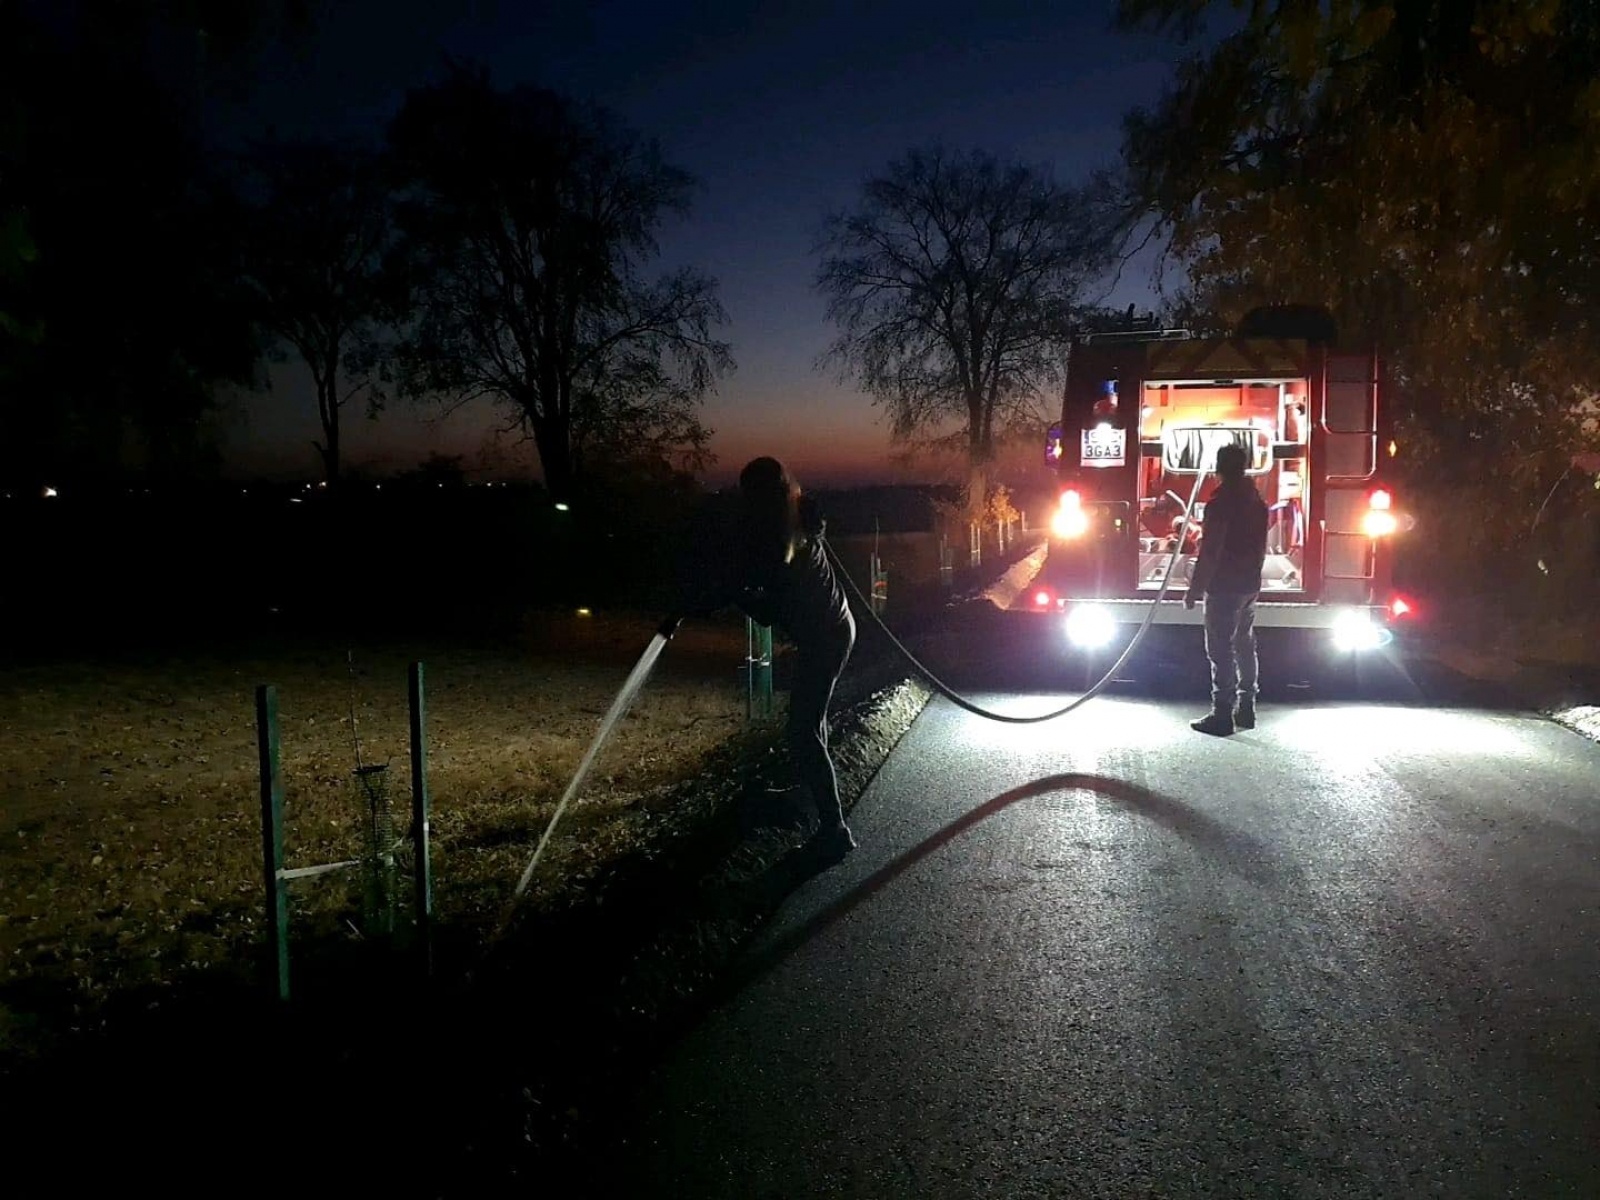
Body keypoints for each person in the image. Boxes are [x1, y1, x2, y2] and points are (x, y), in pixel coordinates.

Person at [674, 457, 859, 861]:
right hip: (832, 629)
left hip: (825, 637)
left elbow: (768, 611)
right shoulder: (791, 521)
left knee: (803, 731)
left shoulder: (784, 545)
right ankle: (810, 795)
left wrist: (725, 597)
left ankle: (834, 831)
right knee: (812, 726)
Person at [1184, 443, 1269, 735]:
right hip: (1249, 585)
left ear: (1219, 469)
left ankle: (1222, 715)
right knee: (1245, 644)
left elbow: (1211, 550)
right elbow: (1260, 546)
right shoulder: (1257, 502)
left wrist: (1195, 589)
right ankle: (1246, 708)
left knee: (1220, 648)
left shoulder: (1220, 504)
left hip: (1224, 586)